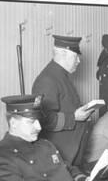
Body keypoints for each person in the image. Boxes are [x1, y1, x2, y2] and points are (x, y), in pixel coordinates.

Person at [32, 35, 94, 167]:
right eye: (75, 56)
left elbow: (67, 106)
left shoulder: (62, 77)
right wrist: (75, 117)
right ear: (62, 53)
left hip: (71, 153)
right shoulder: (47, 80)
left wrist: (83, 113)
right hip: (60, 155)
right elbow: (44, 119)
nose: (78, 61)